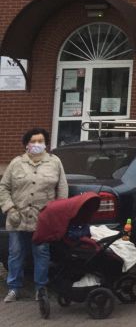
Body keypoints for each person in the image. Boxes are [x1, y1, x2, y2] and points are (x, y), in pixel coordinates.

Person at [1, 127, 68, 303]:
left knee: (41, 252)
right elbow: (3, 188)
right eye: (33, 141)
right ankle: (14, 288)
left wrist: (57, 213)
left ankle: (41, 289)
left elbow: (62, 190)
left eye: (40, 141)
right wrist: (9, 208)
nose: (37, 144)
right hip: (17, 217)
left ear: (45, 143)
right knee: (15, 253)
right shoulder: (16, 163)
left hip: (42, 219)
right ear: (26, 144)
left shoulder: (54, 162)